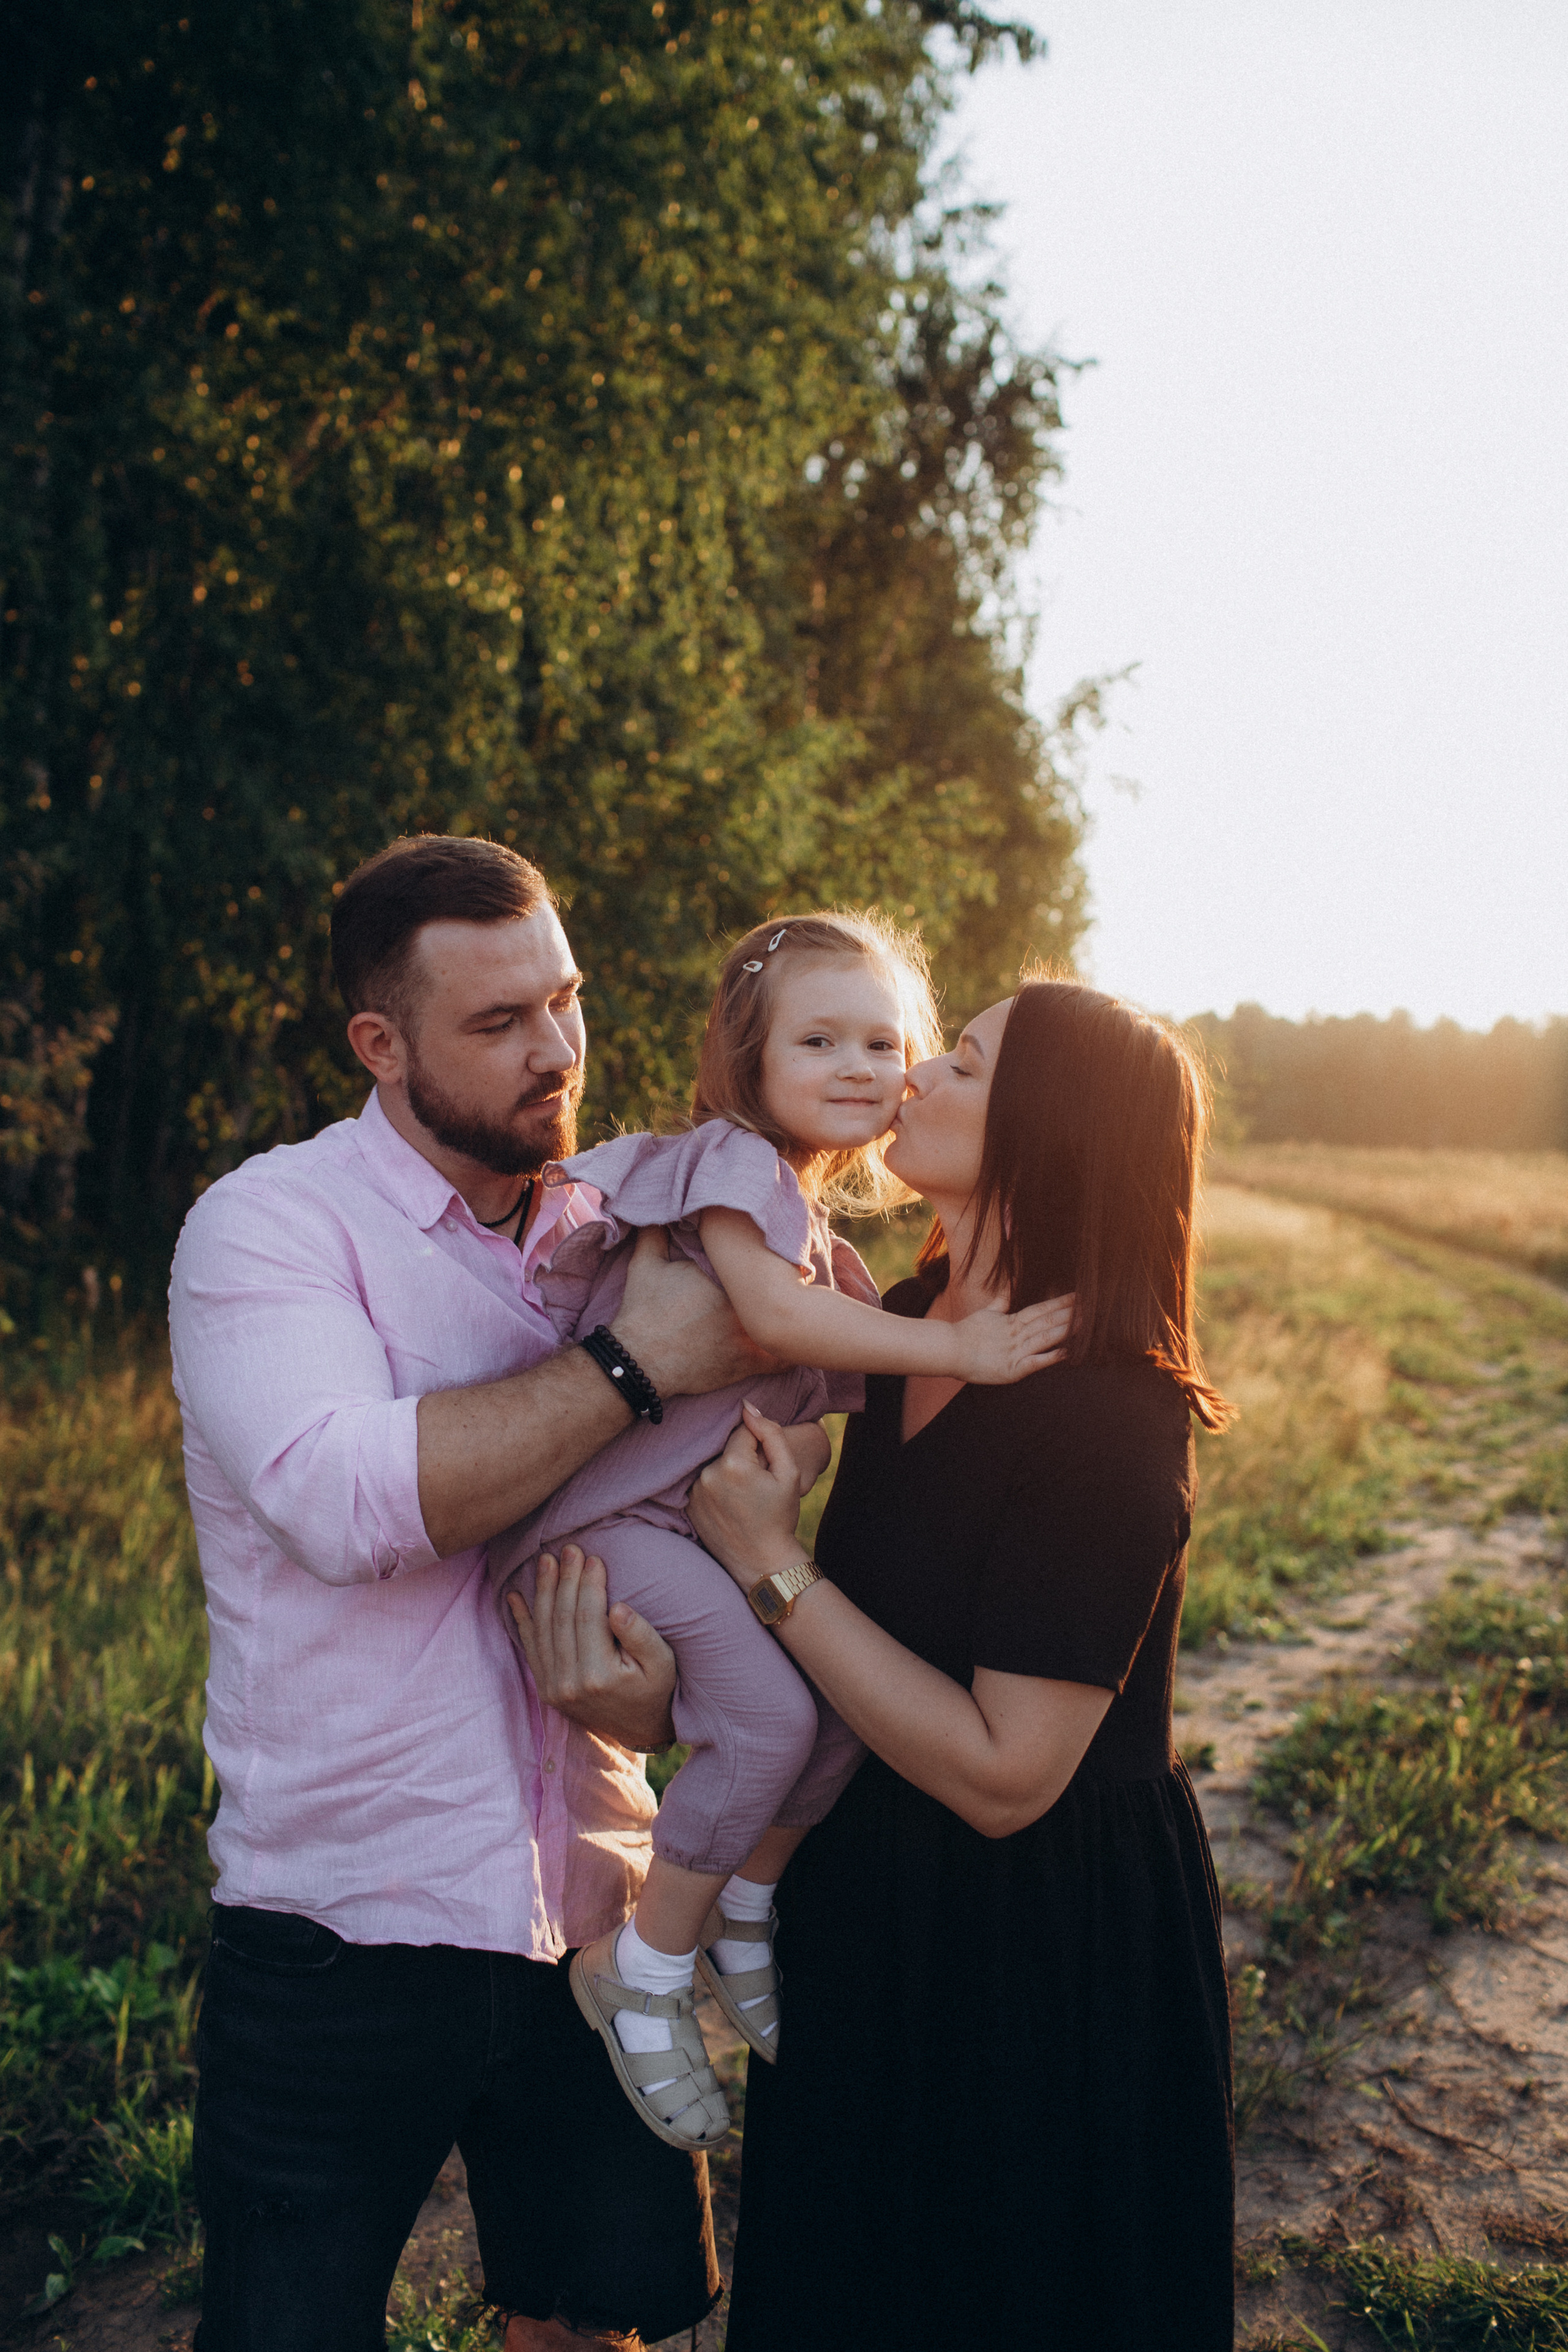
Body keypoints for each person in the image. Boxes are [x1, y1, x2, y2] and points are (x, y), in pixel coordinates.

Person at [167, 834, 761, 2352]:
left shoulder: (614, 1232)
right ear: (382, 1045)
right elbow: (345, 1500)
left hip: (588, 1904)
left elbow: (694, 1529)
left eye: (563, 1001)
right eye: (498, 1025)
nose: (556, 1051)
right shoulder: (268, 1227)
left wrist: (656, 1697)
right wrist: (635, 1365)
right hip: (342, 1921)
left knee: (599, 2323)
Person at [678, 976, 1238, 2352]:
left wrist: (770, 1565)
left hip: (1036, 1955)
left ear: (1048, 1131)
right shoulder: (901, 1321)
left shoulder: (1112, 1417)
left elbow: (1004, 1777)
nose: (911, 1075)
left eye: (966, 1064)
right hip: (863, 1899)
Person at [486, 913, 1068, 2154]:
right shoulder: (734, 1169)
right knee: (772, 1719)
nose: (861, 1067)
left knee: (842, 1715)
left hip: (671, 1531)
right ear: (747, 1060)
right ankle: (642, 1967)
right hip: (602, 1530)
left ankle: (745, 1898)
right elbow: (759, 1317)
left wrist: (798, 1451)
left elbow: (800, 1403)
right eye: (818, 1040)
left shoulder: (815, 1231)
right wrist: (954, 1346)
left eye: (882, 1041)